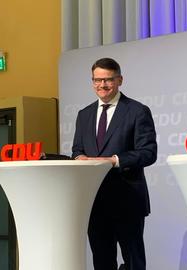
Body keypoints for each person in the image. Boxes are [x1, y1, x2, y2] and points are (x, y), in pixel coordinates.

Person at [72, 57, 157, 270]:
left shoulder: (137, 111)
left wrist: (115, 161)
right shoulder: (84, 115)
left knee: (133, 261)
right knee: (101, 261)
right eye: (97, 80)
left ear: (120, 80)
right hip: (95, 201)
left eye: (108, 80)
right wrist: (78, 158)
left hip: (127, 200)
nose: (102, 85)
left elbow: (148, 153)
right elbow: (77, 150)